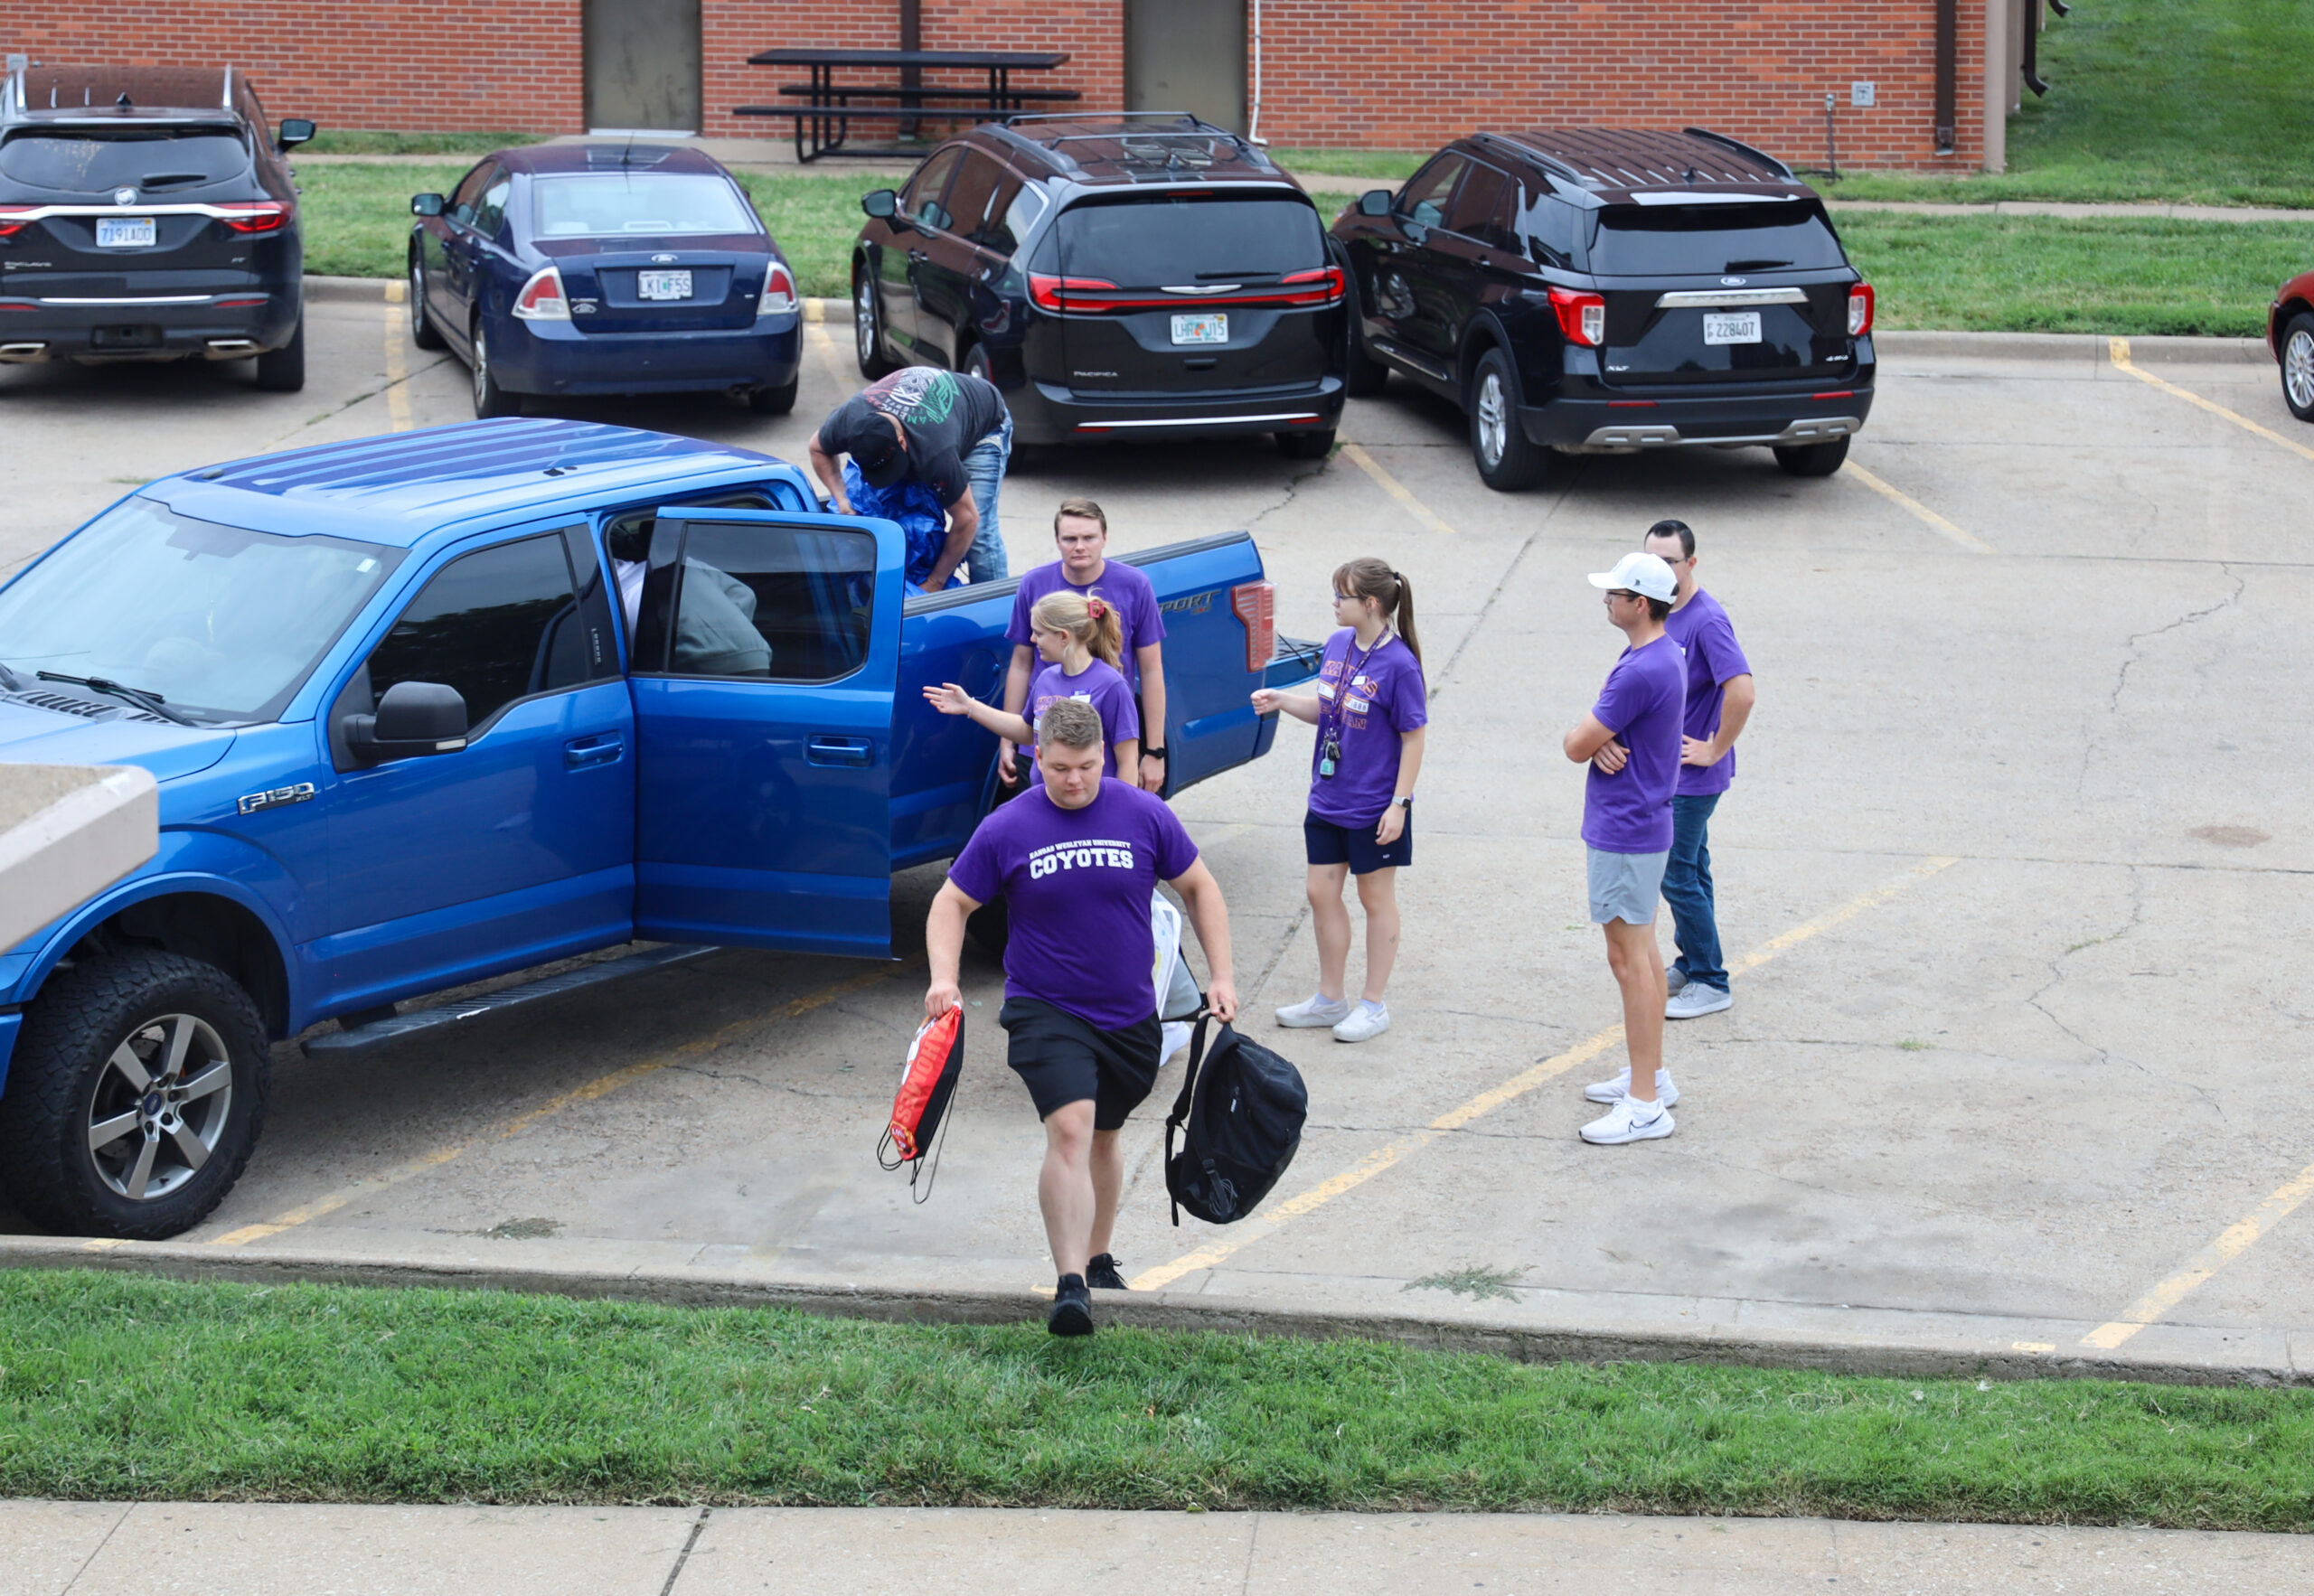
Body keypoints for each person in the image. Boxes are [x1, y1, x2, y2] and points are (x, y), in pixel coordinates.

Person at [925, 699, 1238, 1338]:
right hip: (1046, 1008)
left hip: (1129, 1014)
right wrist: (944, 980)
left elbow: (1200, 887)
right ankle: (1070, 1284)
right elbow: (950, 903)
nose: (1075, 780)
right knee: (1071, 1127)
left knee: (1104, 1136)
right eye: (1061, 767)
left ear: (1104, 758)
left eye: (1088, 767)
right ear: (1038, 757)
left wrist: (1223, 976)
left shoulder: (1144, 814)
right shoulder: (1009, 826)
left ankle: (1097, 1258)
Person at [1250, 559, 1426, 1044]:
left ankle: (1374, 1005)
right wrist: (1284, 702)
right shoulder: (1337, 645)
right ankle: (1331, 999)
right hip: (1327, 798)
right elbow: (1329, 710)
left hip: (1373, 806)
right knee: (1320, 892)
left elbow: (1414, 738)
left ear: (1370, 604)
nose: (1333, 602)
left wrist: (1399, 805)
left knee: (1375, 898)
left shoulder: (1399, 665)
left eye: (1341, 595)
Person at [1564, 550, 1685, 1145]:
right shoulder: (1660, 654)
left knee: (1628, 960)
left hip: (1626, 828)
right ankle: (1651, 1077)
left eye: (1614, 593)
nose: (1605, 600)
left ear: (1640, 604)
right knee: (1643, 953)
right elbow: (1602, 738)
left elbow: (1575, 742)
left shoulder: (1640, 669)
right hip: (1643, 825)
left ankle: (1644, 1105)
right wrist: (1604, 741)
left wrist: (1592, 740)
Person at [1642, 520, 1755, 1020]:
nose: (1660, 569)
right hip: (1669, 772)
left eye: (1668, 561)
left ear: (1690, 563)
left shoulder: (1707, 620)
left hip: (1693, 776)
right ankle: (1692, 962)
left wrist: (1714, 748)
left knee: (1675, 874)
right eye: (1652, 560)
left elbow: (1743, 690)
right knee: (1694, 868)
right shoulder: (1663, 611)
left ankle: (1712, 980)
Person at [1002, 500, 1169, 793]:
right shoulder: (1033, 585)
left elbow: (1152, 670)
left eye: (1089, 537)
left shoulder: (1135, 586)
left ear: (1105, 538)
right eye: (1070, 539)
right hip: (1043, 748)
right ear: (1057, 541)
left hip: (1102, 750)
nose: (1080, 546)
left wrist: (1155, 751)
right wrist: (1007, 743)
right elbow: (1020, 664)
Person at [809, 365, 1012, 587]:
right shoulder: (849, 420)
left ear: (902, 441)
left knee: (979, 535)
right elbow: (817, 448)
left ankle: (997, 616)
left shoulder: (935, 452)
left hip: (984, 424)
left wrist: (935, 581)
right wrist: (843, 500)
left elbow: (968, 519)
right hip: (937, 417)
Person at [923, 590, 1141, 780]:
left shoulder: (1111, 685)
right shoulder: (1046, 679)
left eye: (1039, 633)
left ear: (1063, 637)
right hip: (1048, 804)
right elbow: (1028, 731)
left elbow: (1128, 762)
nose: (1033, 640)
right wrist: (969, 706)